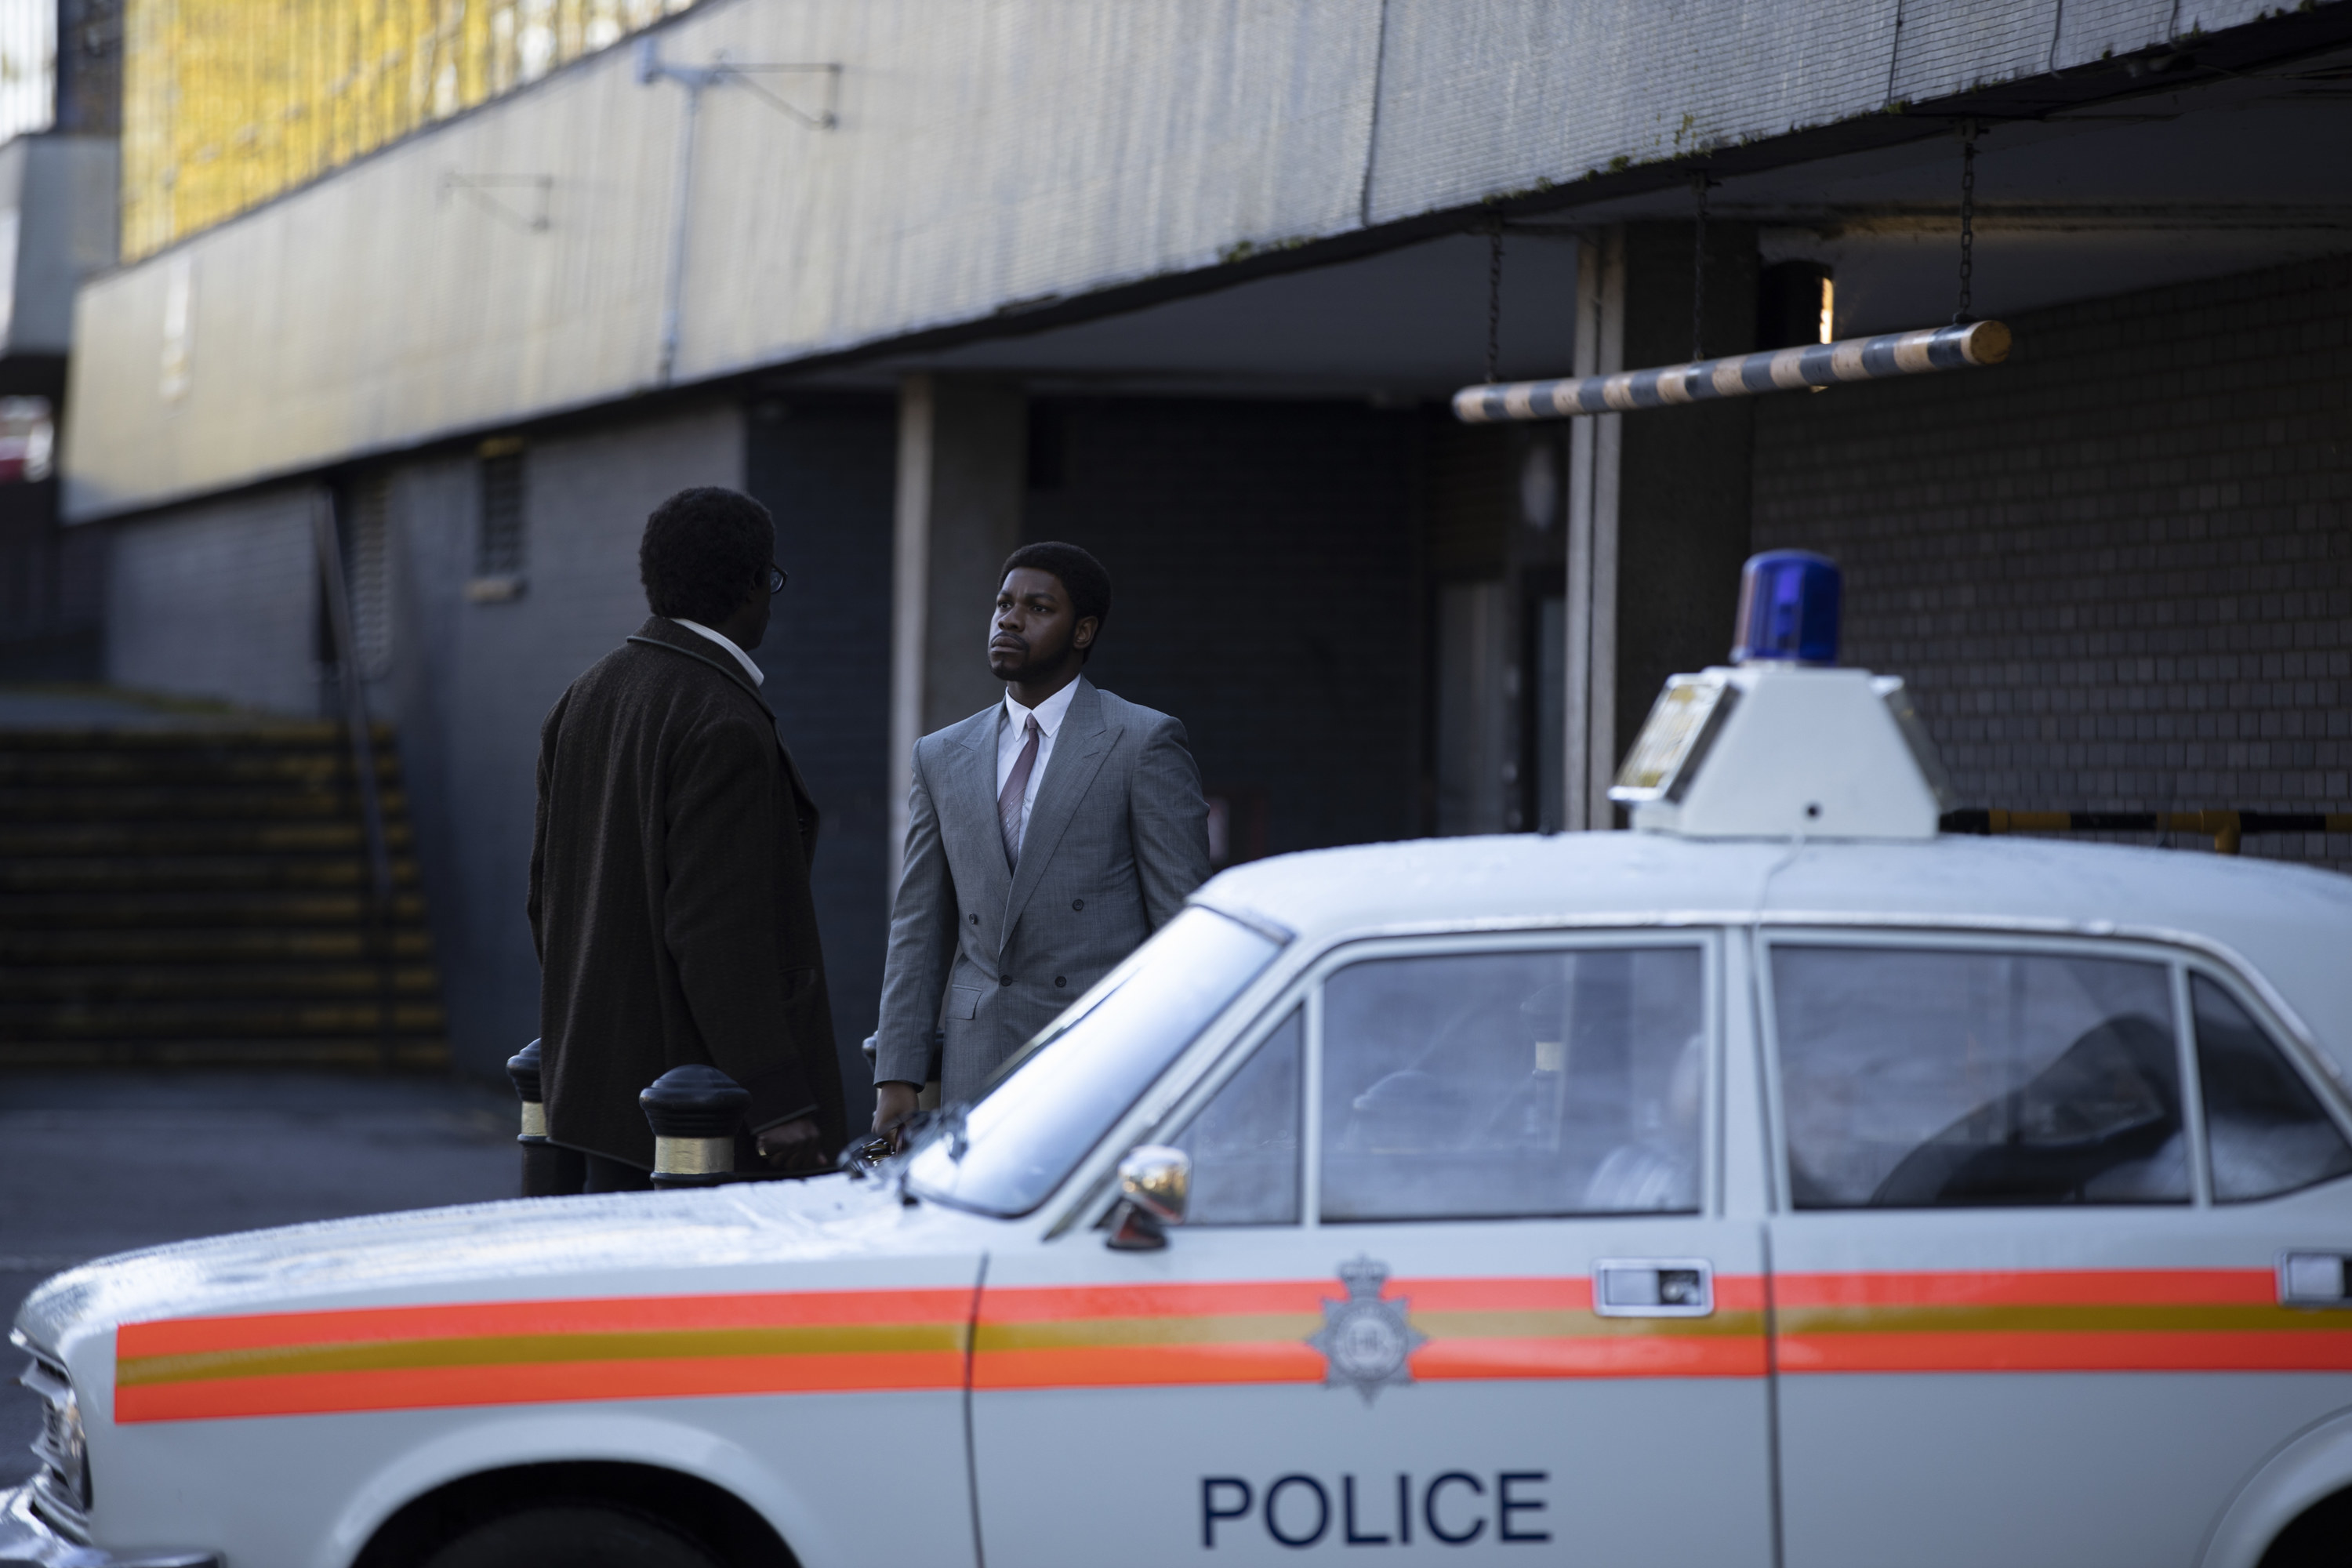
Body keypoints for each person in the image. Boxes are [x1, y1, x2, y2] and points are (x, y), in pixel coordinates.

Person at [529, 486, 846, 1190]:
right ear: (752, 586)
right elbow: (717, 934)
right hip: (694, 1119)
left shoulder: (583, 697)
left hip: (591, 1093)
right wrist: (777, 1098)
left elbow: (544, 899)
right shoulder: (723, 720)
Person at [872, 542, 1212, 1137]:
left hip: (1099, 1053)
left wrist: (1188, 1068)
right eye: (1004, 604)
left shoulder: (1142, 741)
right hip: (977, 1063)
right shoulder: (941, 755)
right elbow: (919, 927)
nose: (1009, 619)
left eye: (1037, 607)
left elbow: (1181, 927)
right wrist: (897, 1079)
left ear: (1083, 631)